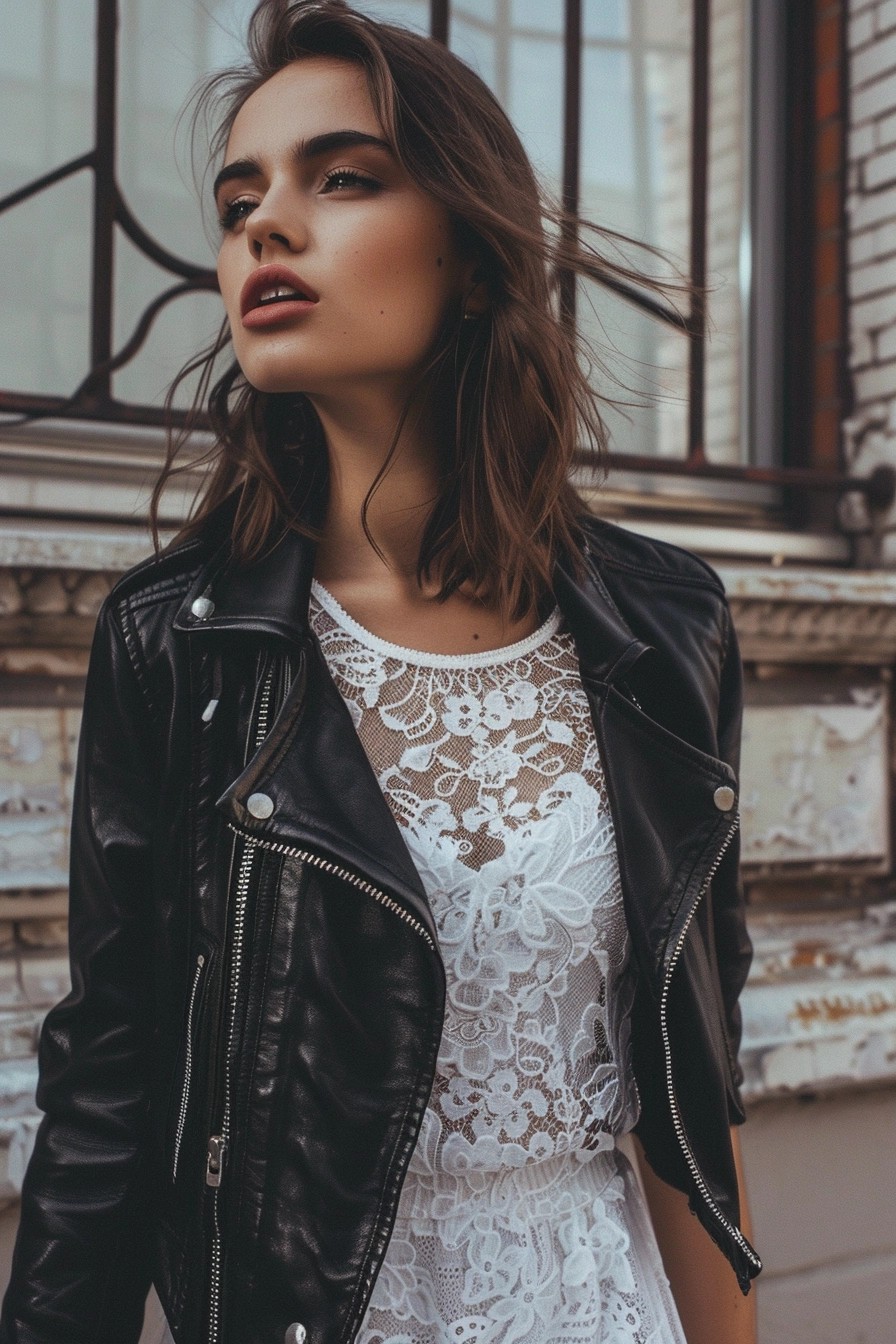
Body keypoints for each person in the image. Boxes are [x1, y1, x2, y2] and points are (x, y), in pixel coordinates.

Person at [0, 3, 761, 1342]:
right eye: (241, 196)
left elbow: (691, 1096)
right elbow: (108, 1099)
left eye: (340, 178)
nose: (264, 226)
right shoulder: (179, 647)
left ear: (473, 256)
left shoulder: (664, 627)